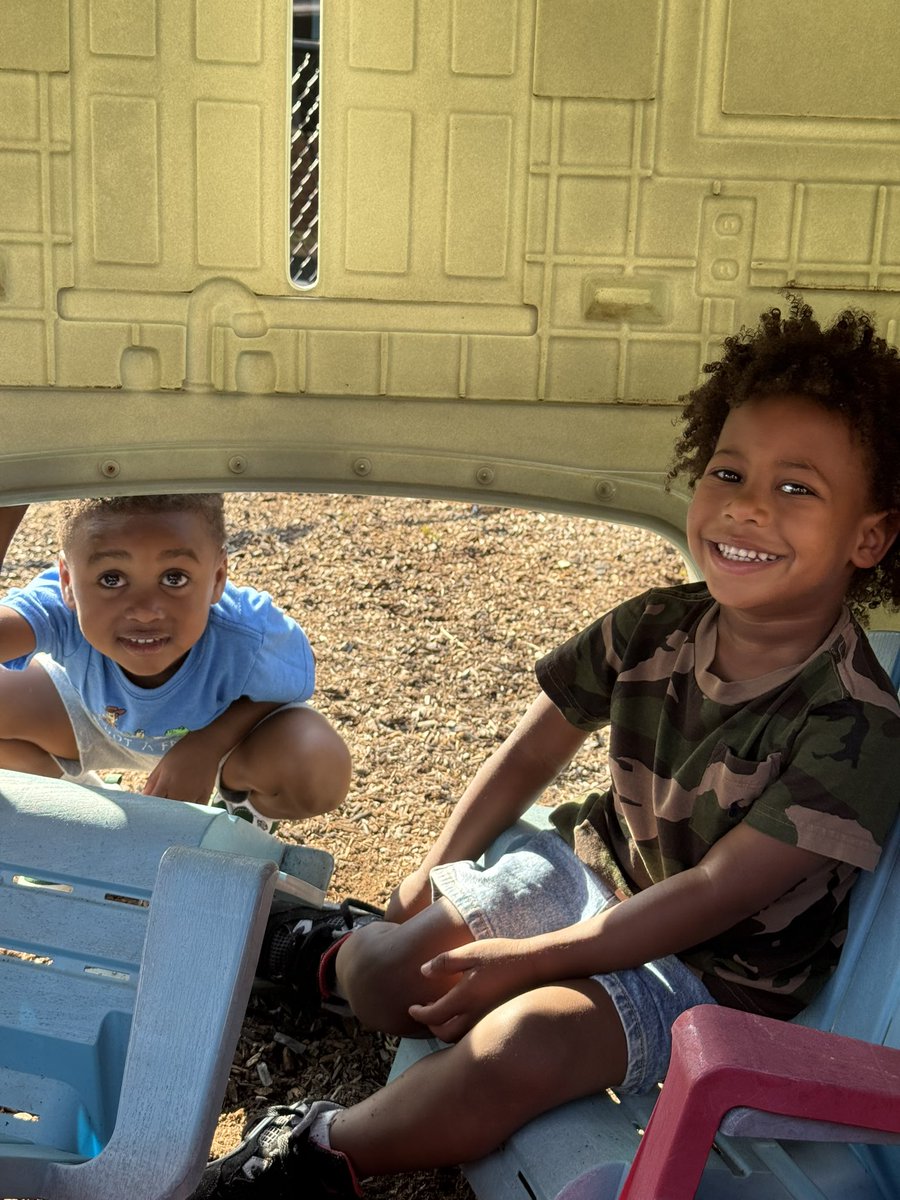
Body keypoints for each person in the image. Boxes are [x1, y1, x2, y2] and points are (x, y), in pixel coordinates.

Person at [194, 297, 900, 1198]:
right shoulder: (654, 627)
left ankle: (313, 1154)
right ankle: (326, 960)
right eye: (728, 473)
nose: (748, 508)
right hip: (591, 877)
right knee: (390, 970)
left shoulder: (857, 727)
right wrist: (436, 869)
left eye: (797, 488)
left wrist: (530, 962)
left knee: (518, 1044)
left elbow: (717, 894)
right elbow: (531, 756)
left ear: (869, 536)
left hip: (711, 976)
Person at [0, 493, 351, 830]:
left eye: (174, 578)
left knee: (317, 767)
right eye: (112, 579)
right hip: (92, 717)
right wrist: (12, 489)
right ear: (67, 581)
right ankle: (79, 813)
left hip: (220, 743)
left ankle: (233, 823)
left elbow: (286, 690)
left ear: (217, 579)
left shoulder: (246, 631)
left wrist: (208, 745)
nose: (145, 610)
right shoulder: (58, 609)